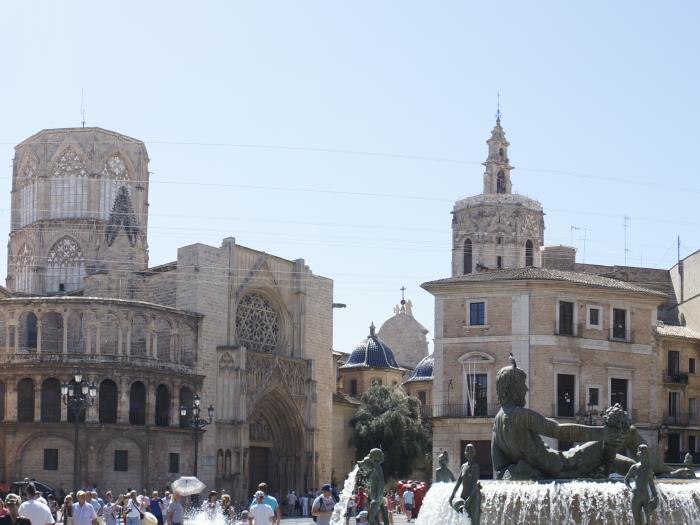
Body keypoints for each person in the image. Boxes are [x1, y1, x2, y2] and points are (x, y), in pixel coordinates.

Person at [625, 444, 658, 525]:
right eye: (642, 453)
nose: (643, 455)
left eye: (645, 453)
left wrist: (655, 496)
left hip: (646, 496)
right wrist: (630, 488)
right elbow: (626, 479)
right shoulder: (634, 467)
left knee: (648, 522)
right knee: (637, 520)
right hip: (636, 496)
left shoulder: (648, 468)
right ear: (639, 454)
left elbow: (651, 484)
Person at [449, 443, 482, 525]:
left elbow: (474, 485)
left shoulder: (475, 466)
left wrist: (469, 499)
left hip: (473, 497)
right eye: (467, 450)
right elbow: (459, 482)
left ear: (474, 453)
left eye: (471, 451)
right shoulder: (463, 466)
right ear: (464, 453)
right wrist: (452, 494)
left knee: (474, 522)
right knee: (466, 520)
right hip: (464, 496)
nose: (469, 453)